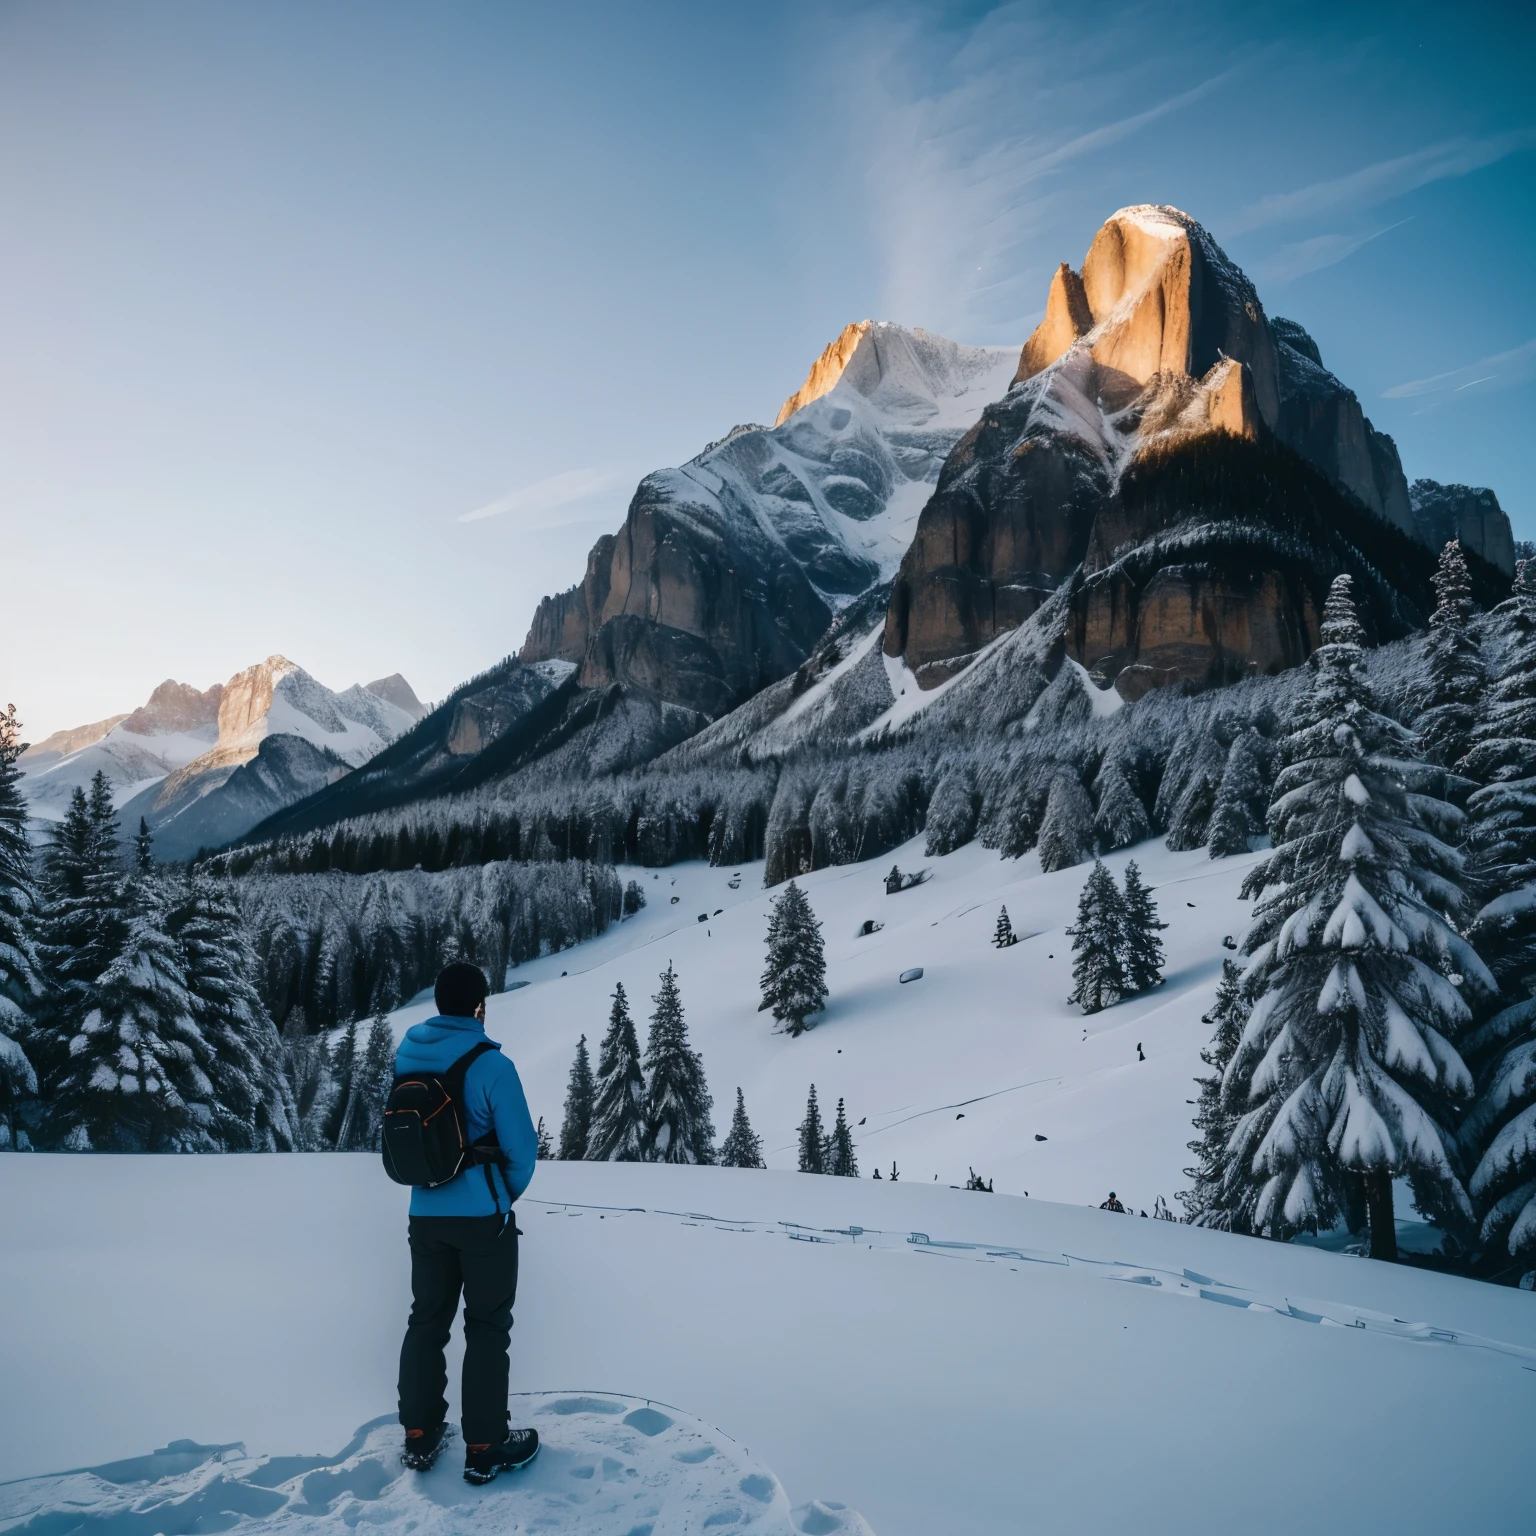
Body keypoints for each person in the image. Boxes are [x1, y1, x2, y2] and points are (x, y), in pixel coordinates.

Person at [396, 962, 540, 1484]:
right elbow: (522, 1149)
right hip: (482, 1217)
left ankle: (419, 1433)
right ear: (479, 1006)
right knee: (486, 1327)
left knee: (426, 1321)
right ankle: (484, 1444)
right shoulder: (491, 1064)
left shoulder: (407, 1055)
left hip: (423, 1212)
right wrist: (501, 1194)